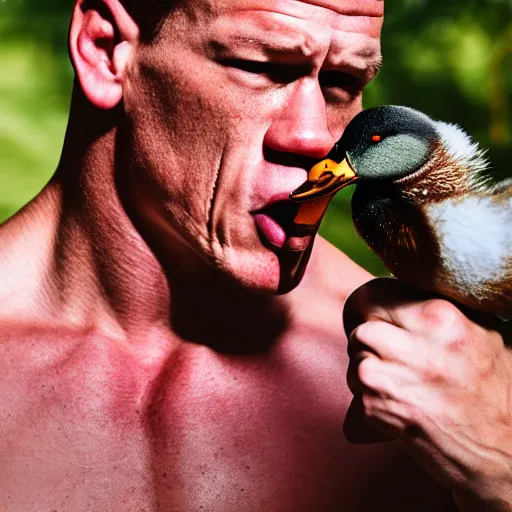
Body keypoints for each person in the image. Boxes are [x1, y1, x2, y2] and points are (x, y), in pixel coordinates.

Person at [0, 0, 510, 509]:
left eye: (343, 82)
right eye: (259, 67)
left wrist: (502, 471)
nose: (315, 138)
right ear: (105, 49)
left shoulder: (442, 386)